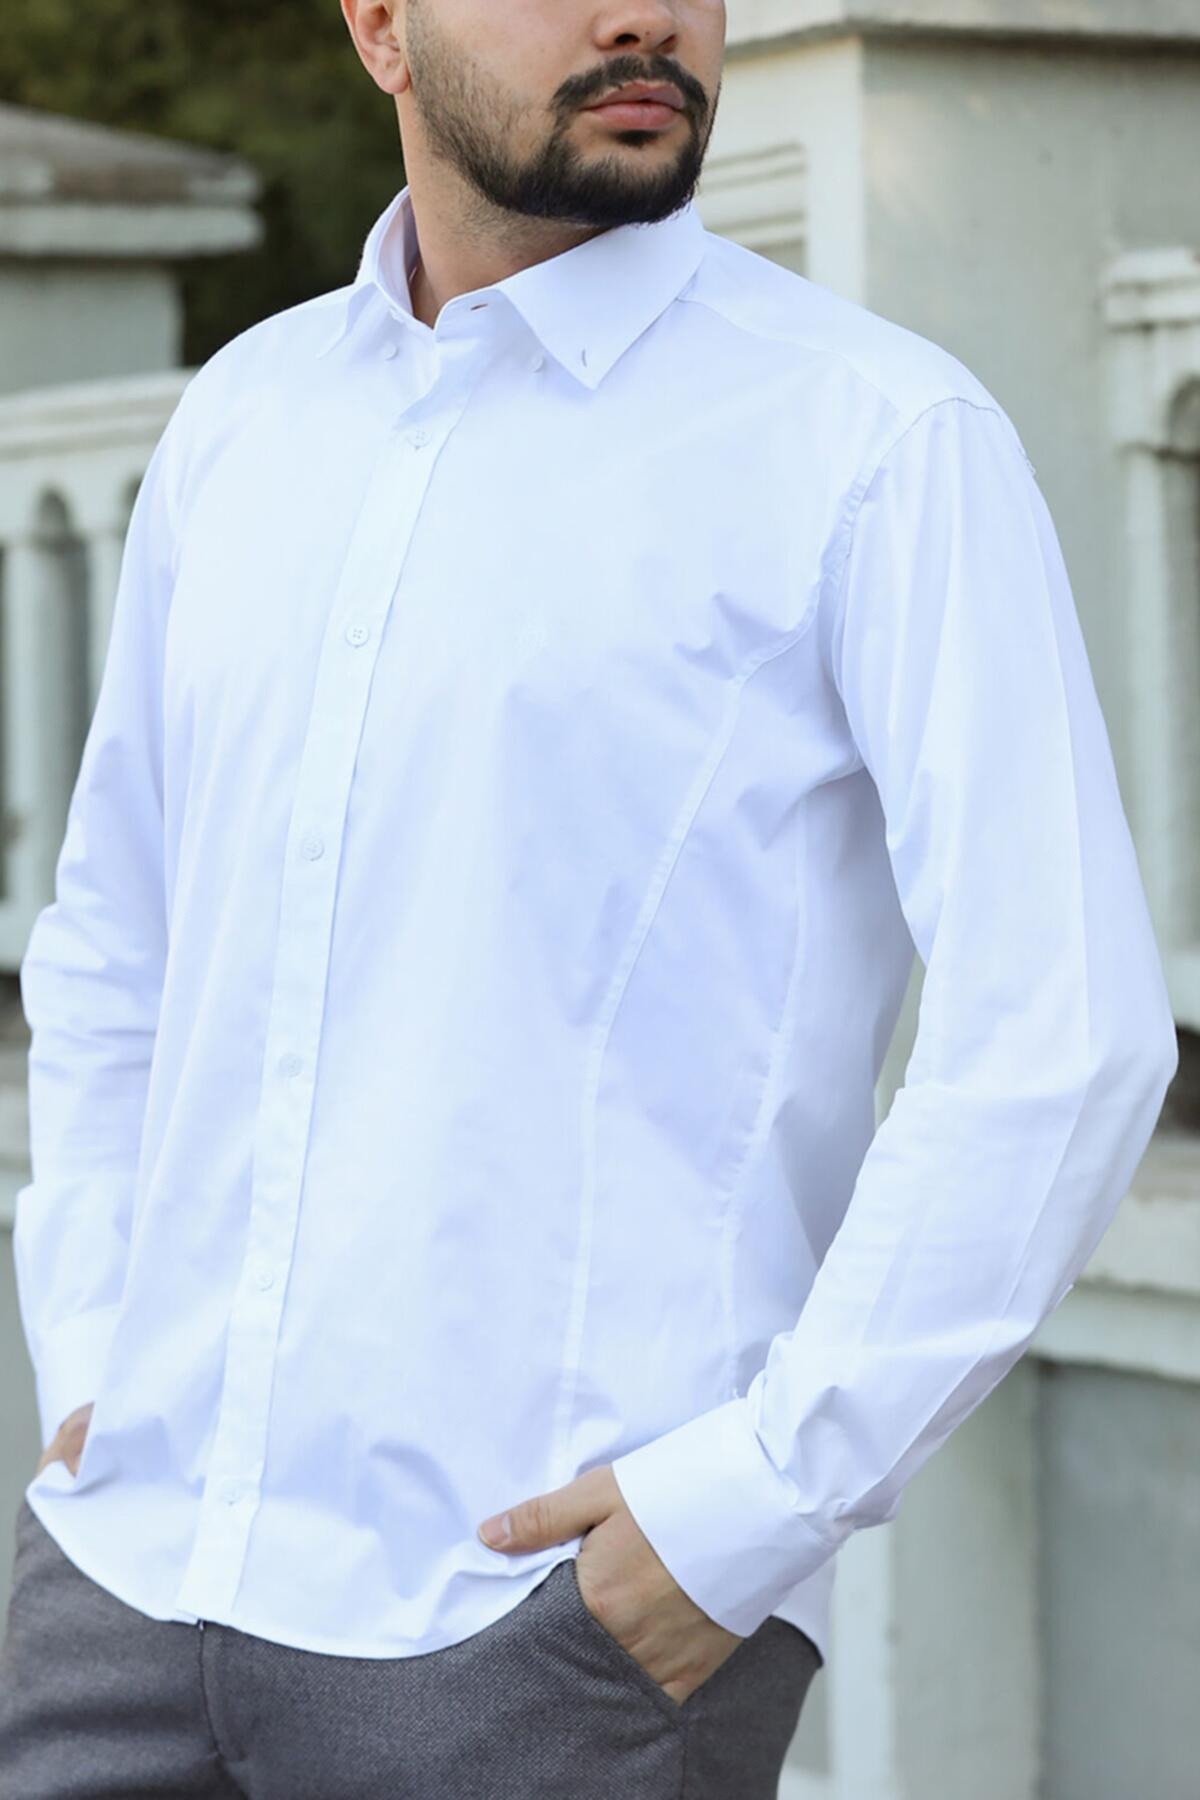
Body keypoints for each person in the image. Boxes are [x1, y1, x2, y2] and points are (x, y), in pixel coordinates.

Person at [0, 0, 1179, 1794]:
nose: (645, 15)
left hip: (542, 1641)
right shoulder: (245, 419)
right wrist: (90, 1343)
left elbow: (1063, 1033)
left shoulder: (875, 437)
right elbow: (113, 947)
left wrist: (751, 1509)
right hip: (125, 1585)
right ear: (380, 25)